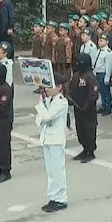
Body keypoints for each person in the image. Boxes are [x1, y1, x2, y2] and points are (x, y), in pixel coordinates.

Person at [35, 75, 70, 212]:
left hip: (56, 139)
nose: (47, 89)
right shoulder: (48, 100)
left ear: (59, 87)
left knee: (57, 170)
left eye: (51, 86)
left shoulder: (61, 102)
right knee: (50, 171)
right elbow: (40, 119)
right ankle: (53, 197)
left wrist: (40, 106)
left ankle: (61, 198)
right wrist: (42, 110)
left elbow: (48, 116)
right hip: (46, 138)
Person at [66, 53, 100, 162]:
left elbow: (93, 94)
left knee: (89, 129)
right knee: (80, 129)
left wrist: (86, 107)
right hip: (77, 108)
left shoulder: (90, 77)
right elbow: (71, 89)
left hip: (88, 110)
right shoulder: (76, 76)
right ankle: (84, 149)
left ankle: (90, 152)